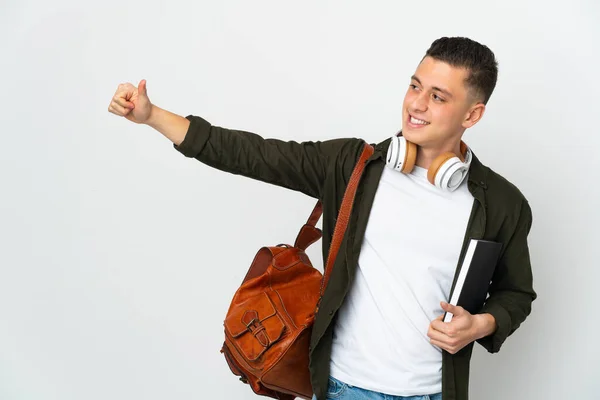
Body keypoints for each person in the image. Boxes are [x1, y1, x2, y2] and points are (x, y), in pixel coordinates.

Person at [108, 36, 537, 400]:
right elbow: (253, 154)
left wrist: (482, 323)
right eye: (414, 86)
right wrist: (151, 116)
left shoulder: (501, 203)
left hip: (433, 392)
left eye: (438, 96)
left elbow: (516, 294)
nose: (416, 105)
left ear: (472, 114)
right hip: (342, 388)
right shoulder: (353, 164)